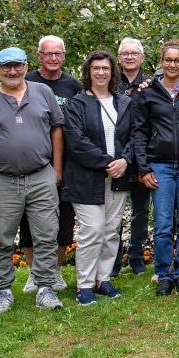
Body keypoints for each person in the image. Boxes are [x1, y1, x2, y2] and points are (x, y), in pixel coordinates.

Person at [0, 47, 65, 313]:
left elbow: (56, 129)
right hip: (1, 179)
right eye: (6, 66)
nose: (12, 71)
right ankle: (3, 291)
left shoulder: (43, 93)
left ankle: (45, 287)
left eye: (17, 65)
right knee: (1, 238)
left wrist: (56, 168)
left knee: (46, 235)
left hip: (41, 177)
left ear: (25, 65)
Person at [132, 40, 179, 296]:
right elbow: (139, 133)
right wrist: (144, 168)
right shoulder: (148, 92)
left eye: (178, 60)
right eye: (169, 60)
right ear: (161, 62)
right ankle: (163, 273)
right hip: (160, 165)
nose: (173, 64)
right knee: (164, 223)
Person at [62, 51, 135, 306]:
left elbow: (135, 136)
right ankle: (84, 285)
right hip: (87, 177)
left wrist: (125, 160)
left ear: (113, 71)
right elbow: (76, 141)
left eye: (105, 68)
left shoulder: (124, 103)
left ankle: (103, 280)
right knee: (92, 231)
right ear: (88, 72)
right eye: (96, 69)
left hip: (118, 176)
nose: (101, 73)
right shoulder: (77, 104)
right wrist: (107, 163)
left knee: (111, 231)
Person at [19, 35, 81, 295]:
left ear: (64, 56)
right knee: (29, 221)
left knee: (64, 219)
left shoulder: (73, 85)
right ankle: (35, 274)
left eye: (58, 53)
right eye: (48, 54)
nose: (53, 58)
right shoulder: (25, 82)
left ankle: (53, 272)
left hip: (67, 163)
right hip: (32, 162)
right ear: (39, 56)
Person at [113, 37, 151, 276]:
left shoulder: (150, 83)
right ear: (119, 58)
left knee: (141, 210)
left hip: (140, 156)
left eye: (134, 53)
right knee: (113, 213)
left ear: (142, 58)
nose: (129, 57)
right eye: (125, 53)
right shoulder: (108, 82)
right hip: (115, 156)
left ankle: (136, 257)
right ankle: (113, 261)